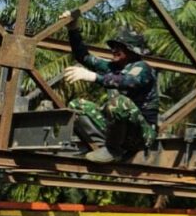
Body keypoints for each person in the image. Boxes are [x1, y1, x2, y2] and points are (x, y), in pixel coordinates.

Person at [60, 12, 158, 163]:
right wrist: (73, 29)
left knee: (119, 103)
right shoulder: (112, 67)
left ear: (132, 50)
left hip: (141, 136)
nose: (114, 50)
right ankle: (100, 146)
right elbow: (83, 56)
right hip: (118, 133)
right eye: (113, 47)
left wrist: (93, 77)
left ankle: (113, 150)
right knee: (77, 106)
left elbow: (128, 81)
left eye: (119, 47)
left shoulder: (143, 68)